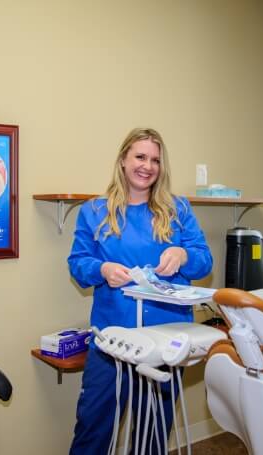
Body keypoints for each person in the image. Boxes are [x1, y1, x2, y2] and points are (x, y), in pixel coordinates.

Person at [68, 127, 213, 454]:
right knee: (93, 426)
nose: (147, 166)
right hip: (112, 339)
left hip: (165, 340)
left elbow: (204, 261)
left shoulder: (178, 209)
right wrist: (102, 269)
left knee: (152, 434)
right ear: (123, 160)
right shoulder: (94, 211)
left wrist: (183, 255)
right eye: (140, 156)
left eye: (155, 160)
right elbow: (78, 264)